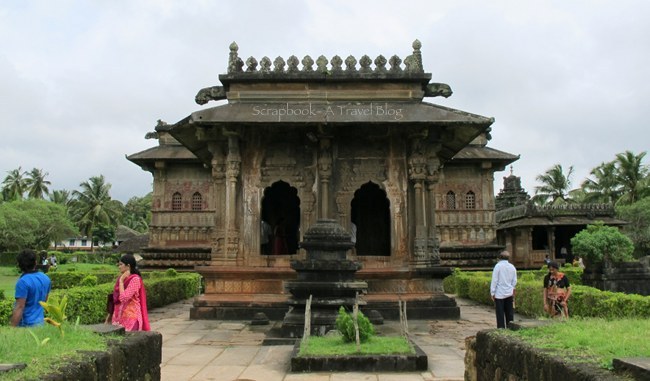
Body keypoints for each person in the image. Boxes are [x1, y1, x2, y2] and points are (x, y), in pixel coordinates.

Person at [109, 253, 150, 331]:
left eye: (121, 264)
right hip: (117, 318)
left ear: (128, 266)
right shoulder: (121, 278)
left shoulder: (135, 279)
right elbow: (115, 299)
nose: (119, 267)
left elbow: (124, 298)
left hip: (131, 318)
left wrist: (121, 282)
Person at [11, 249, 52, 327]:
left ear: (19, 265)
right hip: (40, 324)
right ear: (35, 262)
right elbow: (44, 301)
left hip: (26, 326)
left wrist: (12, 329)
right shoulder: (46, 278)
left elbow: (20, 307)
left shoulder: (23, 282)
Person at [490, 250, 517, 329]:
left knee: (500, 313)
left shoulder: (498, 266)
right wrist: (511, 288)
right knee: (509, 312)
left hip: (499, 294)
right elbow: (514, 280)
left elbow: (494, 280)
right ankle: (511, 328)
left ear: (499, 258)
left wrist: (492, 292)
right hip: (509, 292)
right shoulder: (512, 267)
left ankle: (501, 328)